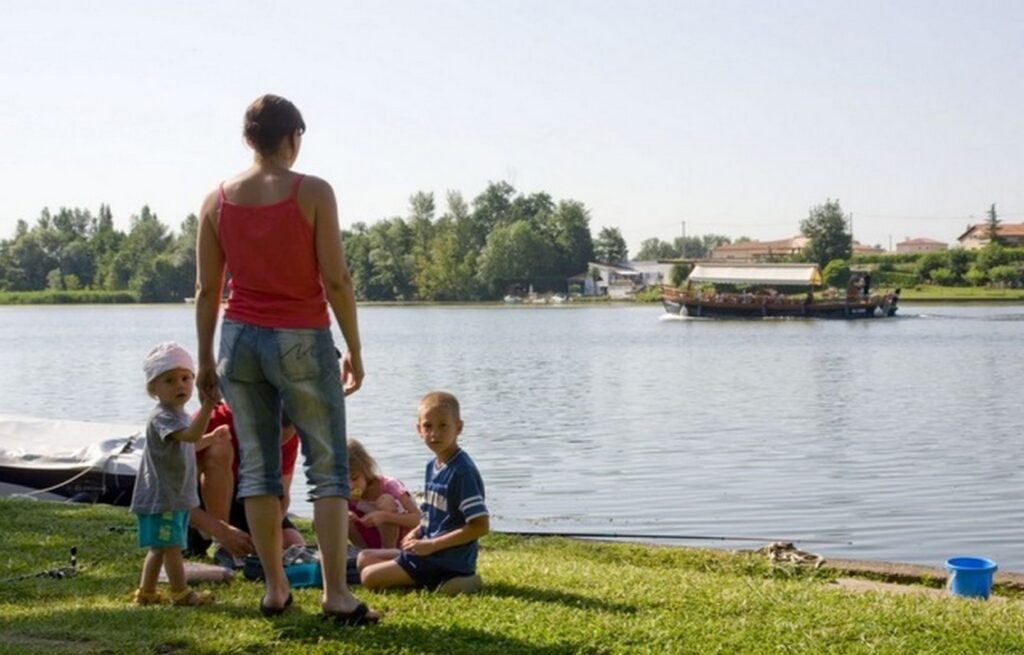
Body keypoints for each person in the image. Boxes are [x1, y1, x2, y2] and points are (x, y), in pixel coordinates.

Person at [195, 94, 378, 623]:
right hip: (301, 334)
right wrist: (356, 350)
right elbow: (337, 279)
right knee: (329, 468)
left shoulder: (216, 200)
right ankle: (336, 595)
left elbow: (208, 289)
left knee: (257, 468)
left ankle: (275, 590)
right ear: (293, 136)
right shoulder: (313, 191)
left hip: (238, 340)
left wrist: (207, 359)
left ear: (249, 139)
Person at [357, 391, 489, 595]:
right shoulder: (432, 466)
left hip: (446, 559)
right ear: (419, 429)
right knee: (363, 558)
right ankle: (435, 581)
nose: (435, 433)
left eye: (443, 425)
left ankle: (456, 580)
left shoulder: (462, 472)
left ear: (459, 427)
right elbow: (431, 515)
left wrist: (431, 545)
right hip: (427, 551)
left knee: (368, 577)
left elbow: (480, 526)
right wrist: (417, 532)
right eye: (428, 426)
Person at [131, 341, 229, 606]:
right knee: (171, 546)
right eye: (170, 380)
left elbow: (189, 443)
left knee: (162, 547)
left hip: (174, 495)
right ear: (154, 388)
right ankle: (181, 593)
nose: (180, 385)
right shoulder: (163, 417)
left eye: (186, 378)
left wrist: (210, 438)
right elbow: (190, 435)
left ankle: (147, 593)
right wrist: (209, 407)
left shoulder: (179, 415)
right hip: (165, 497)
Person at [187, 402, 306, 566]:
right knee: (220, 448)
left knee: (293, 544)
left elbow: (282, 495)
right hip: (196, 509)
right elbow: (170, 496)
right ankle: (220, 545)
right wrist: (221, 531)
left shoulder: (289, 434)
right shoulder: (213, 420)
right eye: (268, 441)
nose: (272, 449)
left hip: (247, 497)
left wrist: (269, 538)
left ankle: (241, 547)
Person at [347, 438, 421, 549]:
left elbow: (418, 519)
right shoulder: (347, 493)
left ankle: (387, 554)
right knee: (341, 512)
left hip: (400, 540)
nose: (351, 486)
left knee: (385, 501)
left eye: (354, 478)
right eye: (344, 481)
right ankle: (362, 552)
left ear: (365, 469)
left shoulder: (389, 485)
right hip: (369, 539)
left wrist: (385, 517)